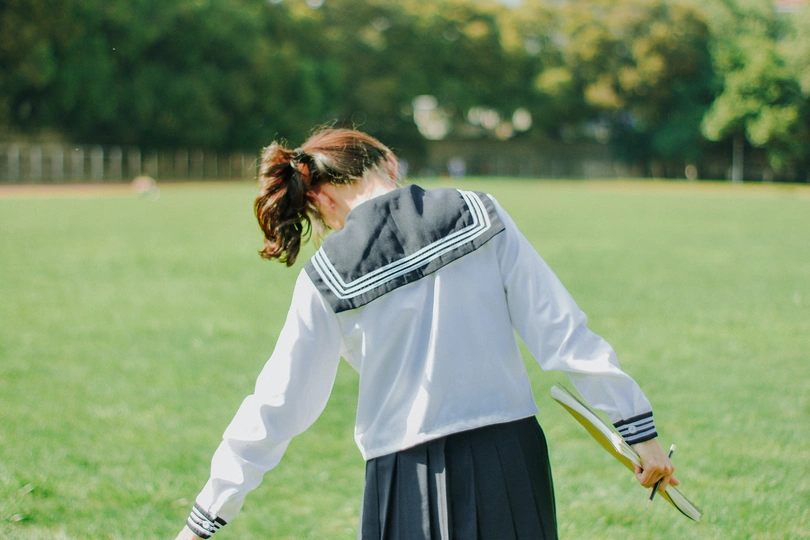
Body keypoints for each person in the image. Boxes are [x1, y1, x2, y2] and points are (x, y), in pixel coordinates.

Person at [175, 128, 677, 540]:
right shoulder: (479, 210)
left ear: (322, 196)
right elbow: (561, 330)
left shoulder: (326, 273)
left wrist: (204, 519)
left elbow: (277, 404)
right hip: (510, 460)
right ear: (389, 162)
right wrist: (640, 431)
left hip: (401, 477)